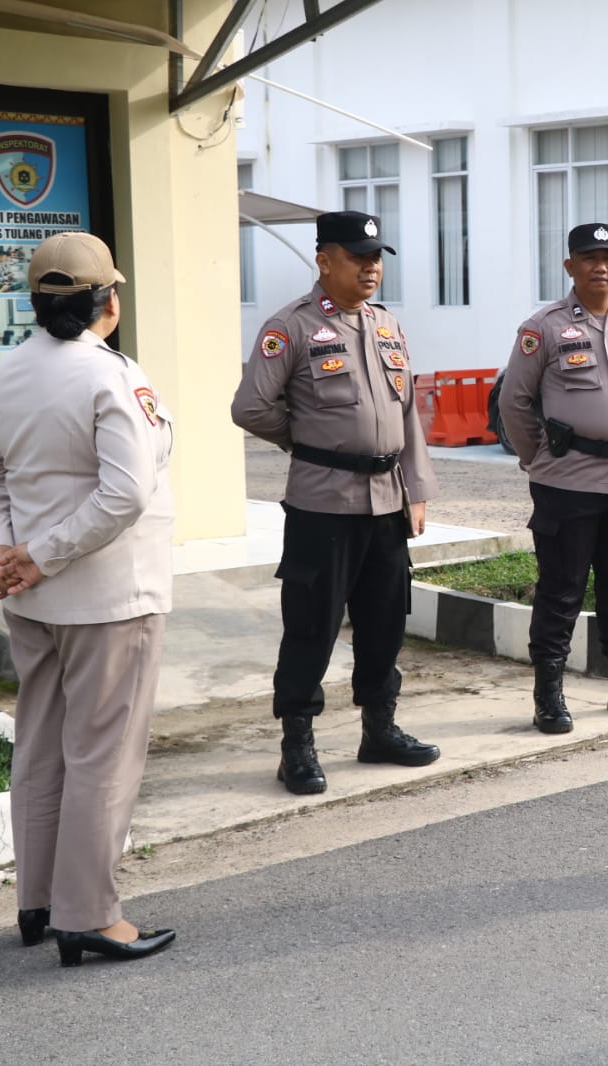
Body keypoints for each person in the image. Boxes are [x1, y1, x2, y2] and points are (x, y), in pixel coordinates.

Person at [0, 230, 176, 967]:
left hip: (31, 599)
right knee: (102, 755)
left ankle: (39, 902)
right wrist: (40, 556)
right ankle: (89, 915)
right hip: (111, 598)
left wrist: (2, 550)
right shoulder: (110, 375)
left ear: (34, 302)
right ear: (108, 302)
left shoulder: (5, 374)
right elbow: (126, 493)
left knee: (42, 747)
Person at [231, 210, 440, 796]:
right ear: (324, 261)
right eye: (357, 257)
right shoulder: (291, 326)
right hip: (322, 503)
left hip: (386, 503)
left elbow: (406, 415)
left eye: (376, 258)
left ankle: (380, 730)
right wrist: (307, 440)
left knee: (384, 622)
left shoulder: (386, 325)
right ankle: (297, 745)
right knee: (311, 627)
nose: (371, 268)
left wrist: (417, 490)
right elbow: (250, 407)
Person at [497, 222, 608, 735]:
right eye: (589, 258)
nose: (600, 267)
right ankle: (548, 696)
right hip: (566, 482)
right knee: (561, 592)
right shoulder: (544, 327)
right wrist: (539, 459)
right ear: (570, 266)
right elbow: (514, 402)